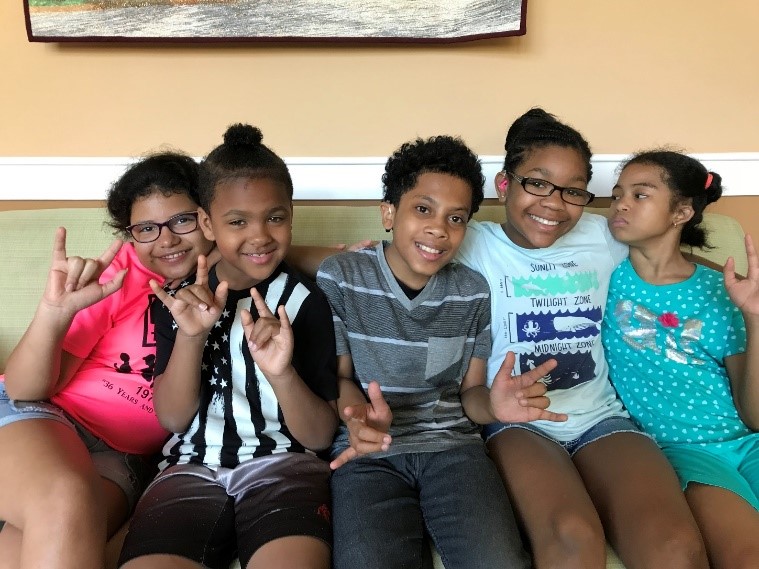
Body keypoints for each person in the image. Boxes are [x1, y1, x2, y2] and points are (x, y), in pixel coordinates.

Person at [454, 109, 708, 569]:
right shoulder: (471, 243)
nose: (554, 203)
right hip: (517, 424)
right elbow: (391, 258)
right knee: (573, 538)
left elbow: (672, 265)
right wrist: (295, 256)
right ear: (504, 184)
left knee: (673, 546)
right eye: (537, 182)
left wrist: (742, 291)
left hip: (601, 419)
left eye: (572, 190)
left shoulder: (603, 235)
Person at [316, 135, 564, 569]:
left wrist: (496, 406)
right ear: (389, 212)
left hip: (453, 448)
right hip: (369, 453)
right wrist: (359, 417)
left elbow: (470, 394)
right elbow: (339, 379)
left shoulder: (471, 291)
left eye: (456, 218)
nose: (439, 229)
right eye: (423, 209)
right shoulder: (343, 277)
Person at [117, 124, 339, 569]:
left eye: (275, 217)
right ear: (207, 223)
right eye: (237, 222)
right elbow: (173, 418)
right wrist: (192, 336)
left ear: (291, 215)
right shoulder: (176, 302)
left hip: (284, 466)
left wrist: (281, 373)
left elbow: (318, 435)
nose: (259, 236)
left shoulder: (304, 301)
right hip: (188, 469)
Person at [0, 151, 213, 569]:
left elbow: (260, 242)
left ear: (208, 218)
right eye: (147, 229)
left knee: (43, 540)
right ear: (130, 235)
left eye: (182, 221)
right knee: (65, 500)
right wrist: (54, 313)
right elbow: (26, 391)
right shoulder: (121, 276)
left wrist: (331, 256)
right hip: (43, 417)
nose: (166, 240)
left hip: (121, 458)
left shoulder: (233, 274)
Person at [601, 150, 759, 568]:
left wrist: (755, 319)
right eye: (618, 194)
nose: (620, 203)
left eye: (640, 194)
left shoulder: (720, 290)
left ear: (682, 212)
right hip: (686, 452)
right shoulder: (605, 275)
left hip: (747, 440)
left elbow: (754, 415)